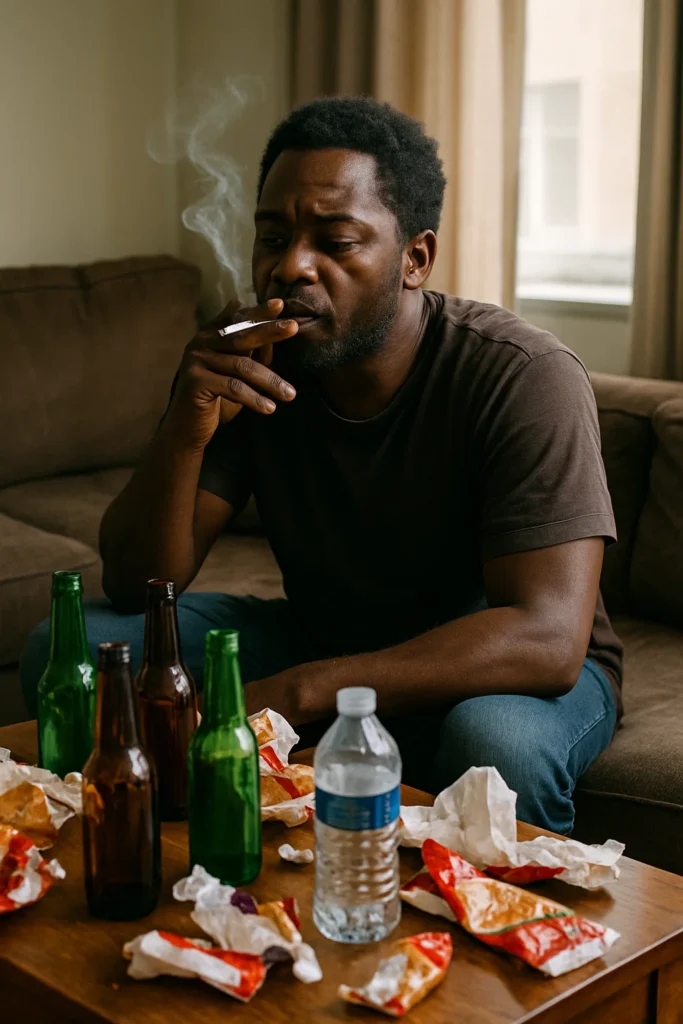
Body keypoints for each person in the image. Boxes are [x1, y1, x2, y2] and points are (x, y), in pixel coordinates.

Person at [21, 97, 622, 833]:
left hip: (502, 667)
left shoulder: (520, 374)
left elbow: (546, 638)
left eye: (335, 242)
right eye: (272, 236)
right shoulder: (259, 363)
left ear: (415, 258)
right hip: (333, 634)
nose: (292, 265)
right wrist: (186, 422)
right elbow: (140, 580)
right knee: (78, 646)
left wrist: (303, 691)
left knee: (493, 746)